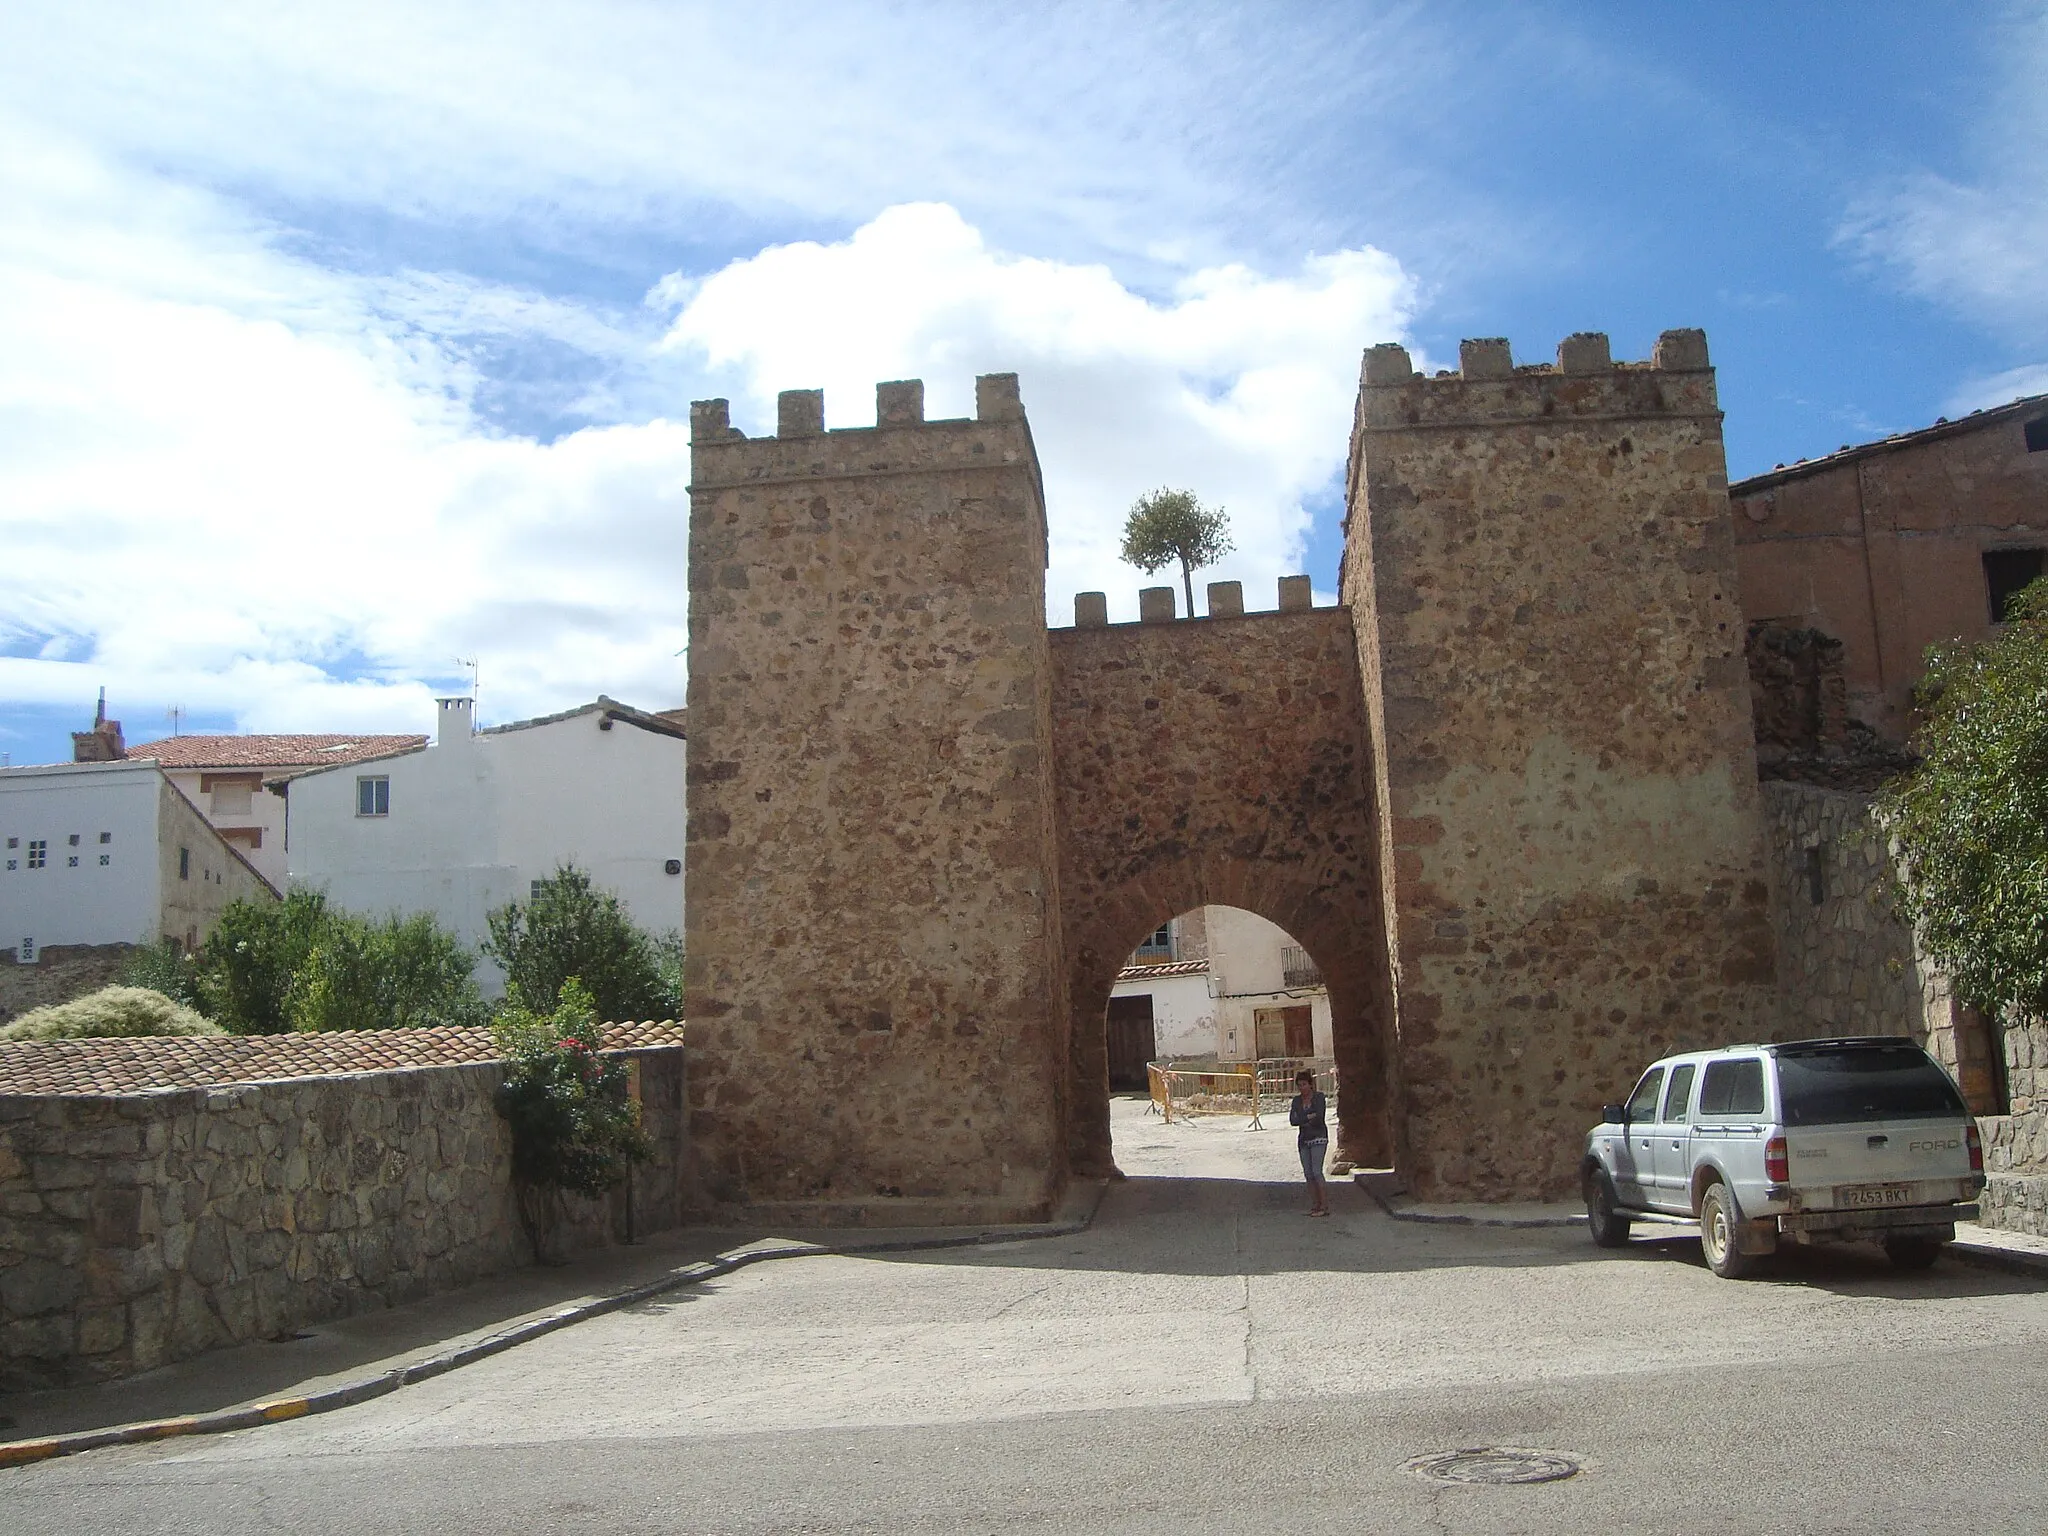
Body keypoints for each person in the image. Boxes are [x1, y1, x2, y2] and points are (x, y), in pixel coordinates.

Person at [1288, 1069, 1330, 1217]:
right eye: (1299, 1085)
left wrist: (1303, 1118)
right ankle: (1315, 1204)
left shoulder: (1319, 1098)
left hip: (1318, 1138)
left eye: (1304, 1084)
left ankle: (1324, 1206)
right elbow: (1293, 1120)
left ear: (1310, 1085)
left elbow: (1319, 1117)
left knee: (1317, 1171)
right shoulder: (1296, 1101)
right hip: (1304, 1140)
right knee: (1308, 1173)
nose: (1302, 1088)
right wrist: (1308, 1117)